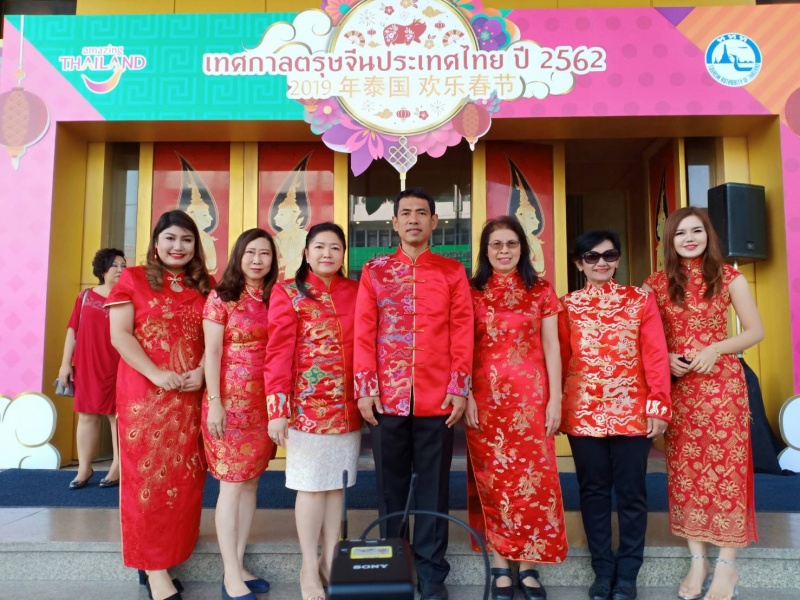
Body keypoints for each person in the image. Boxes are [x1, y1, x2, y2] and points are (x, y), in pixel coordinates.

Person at [354, 188, 474, 600]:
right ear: (394, 222)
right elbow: (363, 330)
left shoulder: (452, 272)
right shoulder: (374, 271)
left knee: (434, 488)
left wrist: (459, 387)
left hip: (437, 398)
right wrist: (365, 388)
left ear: (434, 221)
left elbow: (462, 330)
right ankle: (393, 564)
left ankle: (432, 571)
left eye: (421, 213)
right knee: (389, 487)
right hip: (386, 398)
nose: (413, 220)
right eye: (405, 213)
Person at [643, 207, 763, 600]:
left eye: (697, 231)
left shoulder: (729, 277)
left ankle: (727, 563)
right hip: (680, 390)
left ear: (708, 235)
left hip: (723, 387)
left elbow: (755, 331)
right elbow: (646, 337)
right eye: (681, 233)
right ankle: (699, 561)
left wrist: (716, 348)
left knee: (727, 471)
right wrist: (666, 357)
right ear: (670, 240)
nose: (690, 239)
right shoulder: (655, 284)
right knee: (685, 472)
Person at [559, 230, 671, 600]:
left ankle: (627, 574)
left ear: (618, 259)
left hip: (632, 412)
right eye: (591, 257)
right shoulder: (567, 306)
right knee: (592, 492)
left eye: (609, 255)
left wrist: (658, 404)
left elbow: (655, 354)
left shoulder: (640, 300)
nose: (601, 262)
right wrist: (556, 407)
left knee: (631, 492)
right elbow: (560, 358)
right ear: (580, 264)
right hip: (582, 411)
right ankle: (602, 570)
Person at [107, 210, 212, 600]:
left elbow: (217, 339)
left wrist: (202, 372)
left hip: (190, 397)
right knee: (147, 482)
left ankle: (170, 556)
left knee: (185, 480)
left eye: (186, 239)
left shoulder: (206, 285)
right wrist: (155, 373)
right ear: (156, 242)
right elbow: (120, 335)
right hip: (145, 397)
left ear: (195, 245)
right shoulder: (133, 279)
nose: (178, 246)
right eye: (170, 238)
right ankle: (153, 570)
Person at [464, 216, 567, 600]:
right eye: (496, 244)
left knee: (533, 482)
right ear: (485, 250)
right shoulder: (471, 291)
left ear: (522, 248)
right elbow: (463, 346)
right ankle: (500, 562)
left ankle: (528, 564)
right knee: (494, 481)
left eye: (511, 243)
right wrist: (466, 393)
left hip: (531, 400)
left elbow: (552, 346)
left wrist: (555, 398)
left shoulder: (540, 290)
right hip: (485, 402)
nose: (504, 250)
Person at [264, 222, 361, 600]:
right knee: (310, 486)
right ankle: (308, 566)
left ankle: (330, 559)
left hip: (347, 407)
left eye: (335, 247)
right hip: (305, 408)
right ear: (306, 252)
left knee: (336, 485)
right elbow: (277, 352)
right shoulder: (288, 292)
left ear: (343, 254)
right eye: (319, 247)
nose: (327, 254)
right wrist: (277, 408)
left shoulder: (355, 291)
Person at [202, 228, 279, 600]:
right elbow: (213, 353)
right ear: (238, 256)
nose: (257, 260)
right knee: (231, 486)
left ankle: (239, 563)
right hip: (228, 405)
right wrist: (215, 401)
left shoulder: (276, 297)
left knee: (250, 483)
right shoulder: (222, 297)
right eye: (250, 252)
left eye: (264, 253)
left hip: (263, 405)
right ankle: (230, 573)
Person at [58, 248, 126, 489]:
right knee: (86, 415)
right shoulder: (85, 296)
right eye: (115, 265)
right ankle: (84, 469)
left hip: (120, 364)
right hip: (87, 363)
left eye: (123, 266)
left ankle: (117, 467)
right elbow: (72, 331)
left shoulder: (128, 297)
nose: (120, 270)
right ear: (102, 269)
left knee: (118, 417)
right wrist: (65, 364)